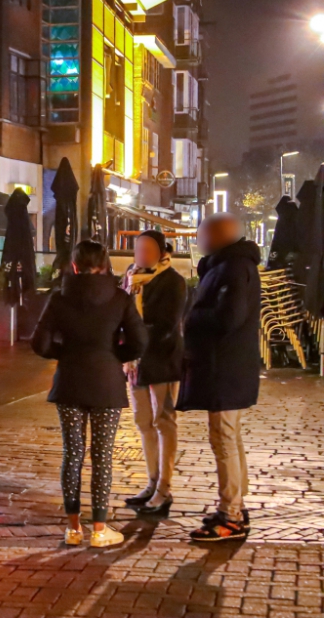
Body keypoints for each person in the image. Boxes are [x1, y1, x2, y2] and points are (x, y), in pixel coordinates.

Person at [32, 240, 147, 548]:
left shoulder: (59, 298)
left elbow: (39, 343)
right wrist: (113, 355)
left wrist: (65, 352)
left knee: (73, 454)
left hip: (69, 381)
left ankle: (72, 528)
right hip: (107, 384)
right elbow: (139, 341)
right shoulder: (120, 299)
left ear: (74, 266)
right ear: (105, 264)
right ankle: (99, 527)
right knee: (102, 456)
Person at [178, 214, 261, 542]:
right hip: (229, 368)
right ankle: (234, 503)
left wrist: (192, 318)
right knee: (229, 437)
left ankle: (232, 515)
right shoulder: (232, 266)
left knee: (224, 438)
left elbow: (229, 316)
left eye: (201, 233)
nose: (197, 239)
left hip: (225, 369)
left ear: (215, 236)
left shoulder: (232, 268)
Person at [121, 230, 187, 515]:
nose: (142, 255)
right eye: (138, 249)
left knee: (163, 421)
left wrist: (136, 339)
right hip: (135, 363)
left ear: (162, 252)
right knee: (143, 421)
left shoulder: (173, 281)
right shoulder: (129, 278)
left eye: (148, 249)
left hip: (162, 359)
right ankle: (150, 482)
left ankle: (164, 487)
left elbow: (168, 324)